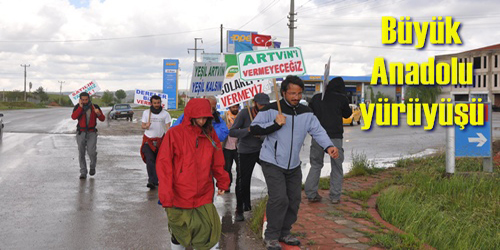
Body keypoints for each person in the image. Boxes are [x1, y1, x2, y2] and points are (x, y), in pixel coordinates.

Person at [249, 75, 339, 250]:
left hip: (293, 164)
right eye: (292, 93)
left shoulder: (306, 112)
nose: (296, 97)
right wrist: (275, 124)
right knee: (279, 198)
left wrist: (329, 146)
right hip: (272, 161)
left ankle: (285, 231)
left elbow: (318, 131)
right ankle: (272, 236)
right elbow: (254, 129)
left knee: (294, 199)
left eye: (299, 93)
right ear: (283, 93)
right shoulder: (270, 109)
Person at [156, 98, 230, 250]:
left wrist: (222, 181)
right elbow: (164, 166)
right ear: (190, 115)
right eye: (199, 117)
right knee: (180, 232)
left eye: (205, 117)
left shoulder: (210, 135)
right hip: (179, 194)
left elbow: (217, 160)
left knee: (209, 233)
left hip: (204, 193)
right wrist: (166, 194)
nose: (202, 121)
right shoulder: (174, 134)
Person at [304, 77, 352, 204]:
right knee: (337, 166)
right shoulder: (341, 98)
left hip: (318, 136)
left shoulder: (317, 97)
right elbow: (347, 115)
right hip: (335, 137)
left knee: (316, 164)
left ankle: (311, 194)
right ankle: (335, 196)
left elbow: (309, 113)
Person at [229, 93, 270, 221]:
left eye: (265, 104)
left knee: (273, 175)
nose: (263, 107)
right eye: (260, 104)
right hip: (246, 151)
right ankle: (240, 208)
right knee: (243, 181)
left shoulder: (270, 113)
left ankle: (272, 204)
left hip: (263, 150)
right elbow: (233, 132)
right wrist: (248, 130)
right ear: (254, 103)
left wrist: (261, 135)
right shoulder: (245, 113)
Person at [71, 92, 105, 179]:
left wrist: (98, 113)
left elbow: (102, 119)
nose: (85, 101)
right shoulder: (77, 107)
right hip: (81, 133)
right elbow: (74, 117)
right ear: (80, 100)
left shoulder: (95, 107)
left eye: (86, 99)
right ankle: (83, 172)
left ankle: (92, 166)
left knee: (92, 152)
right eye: (83, 100)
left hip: (91, 132)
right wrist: (80, 107)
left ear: (89, 99)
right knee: (81, 153)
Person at [140, 95, 172, 189]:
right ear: (151, 103)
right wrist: (147, 126)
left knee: (159, 162)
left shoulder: (165, 114)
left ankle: (158, 179)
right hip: (148, 140)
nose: (157, 105)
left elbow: (168, 128)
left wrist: (169, 138)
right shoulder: (146, 113)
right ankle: (152, 181)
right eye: (155, 103)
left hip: (160, 141)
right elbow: (142, 126)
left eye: (158, 103)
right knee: (150, 160)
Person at [221, 103, 240, 193]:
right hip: (227, 147)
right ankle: (227, 185)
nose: (235, 109)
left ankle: (239, 185)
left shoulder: (240, 117)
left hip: (238, 147)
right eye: (233, 107)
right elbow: (219, 129)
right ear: (230, 107)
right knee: (227, 168)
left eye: (236, 107)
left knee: (239, 168)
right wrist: (225, 128)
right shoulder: (224, 117)